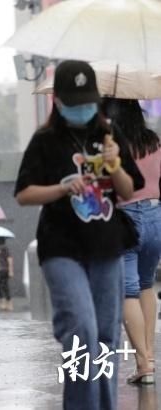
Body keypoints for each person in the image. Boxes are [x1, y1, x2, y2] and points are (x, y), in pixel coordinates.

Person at [15, 60, 143, 410]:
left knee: (105, 339)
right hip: (61, 248)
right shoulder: (45, 141)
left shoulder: (110, 136)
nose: (83, 109)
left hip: (106, 246)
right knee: (81, 329)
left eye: (88, 101)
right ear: (59, 101)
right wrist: (61, 188)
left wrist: (115, 165)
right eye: (75, 102)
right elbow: (24, 193)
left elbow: (129, 191)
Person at [102, 97, 161, 384]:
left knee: (128, 292)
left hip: (125, 219)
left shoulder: (111, 145)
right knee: (147, 284)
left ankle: (143, 364)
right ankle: (149, 354)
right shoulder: (153, 141)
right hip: (155, 215)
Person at [0, 237, 14, 312]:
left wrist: (10, 270)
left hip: (5, 270)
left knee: (4, 286)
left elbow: (9, 259)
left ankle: (8, 304)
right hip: (0, 271)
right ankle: (4, 302)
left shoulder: (4, 248)